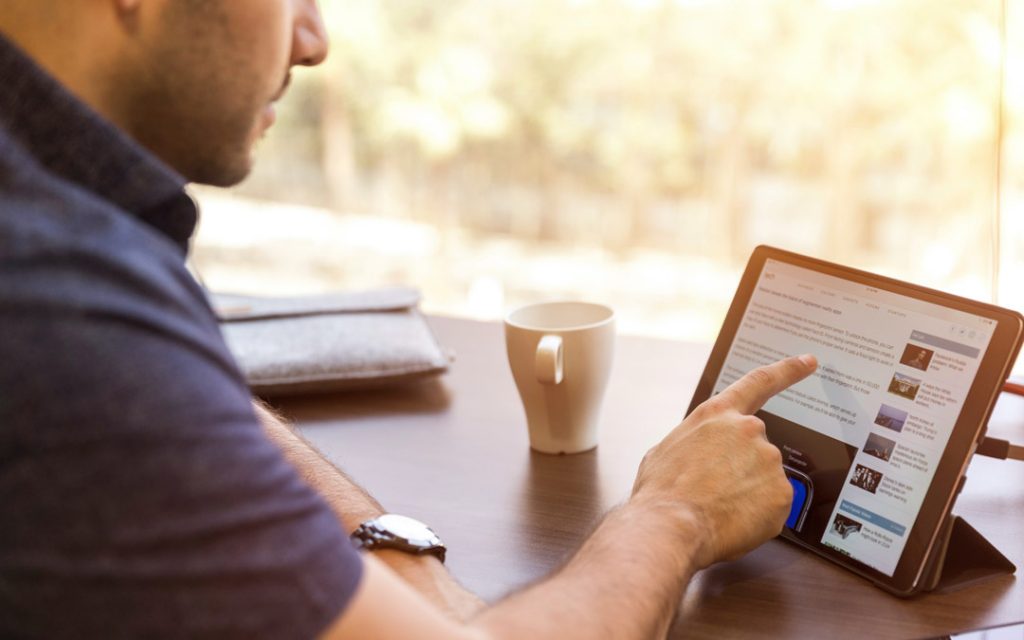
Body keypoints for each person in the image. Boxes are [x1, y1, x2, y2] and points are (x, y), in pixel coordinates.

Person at [0, 1, 818, 637]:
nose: (314, 40)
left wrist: (397, 558)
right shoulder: (55, 300)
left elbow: (160, 393)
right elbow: (111, 377)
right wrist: (675, 512)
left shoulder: (63, 247)